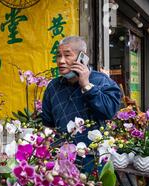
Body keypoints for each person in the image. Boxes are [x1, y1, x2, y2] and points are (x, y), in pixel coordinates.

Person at [41, 36, 122, 172]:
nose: (61, 61)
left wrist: (86, 85)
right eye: (58, 56)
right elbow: (48, 123)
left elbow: (110, 111)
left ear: (82, 57)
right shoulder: (53, 87)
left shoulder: (102, 81)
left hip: (94, 159)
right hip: (63, 161)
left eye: (67, 55)